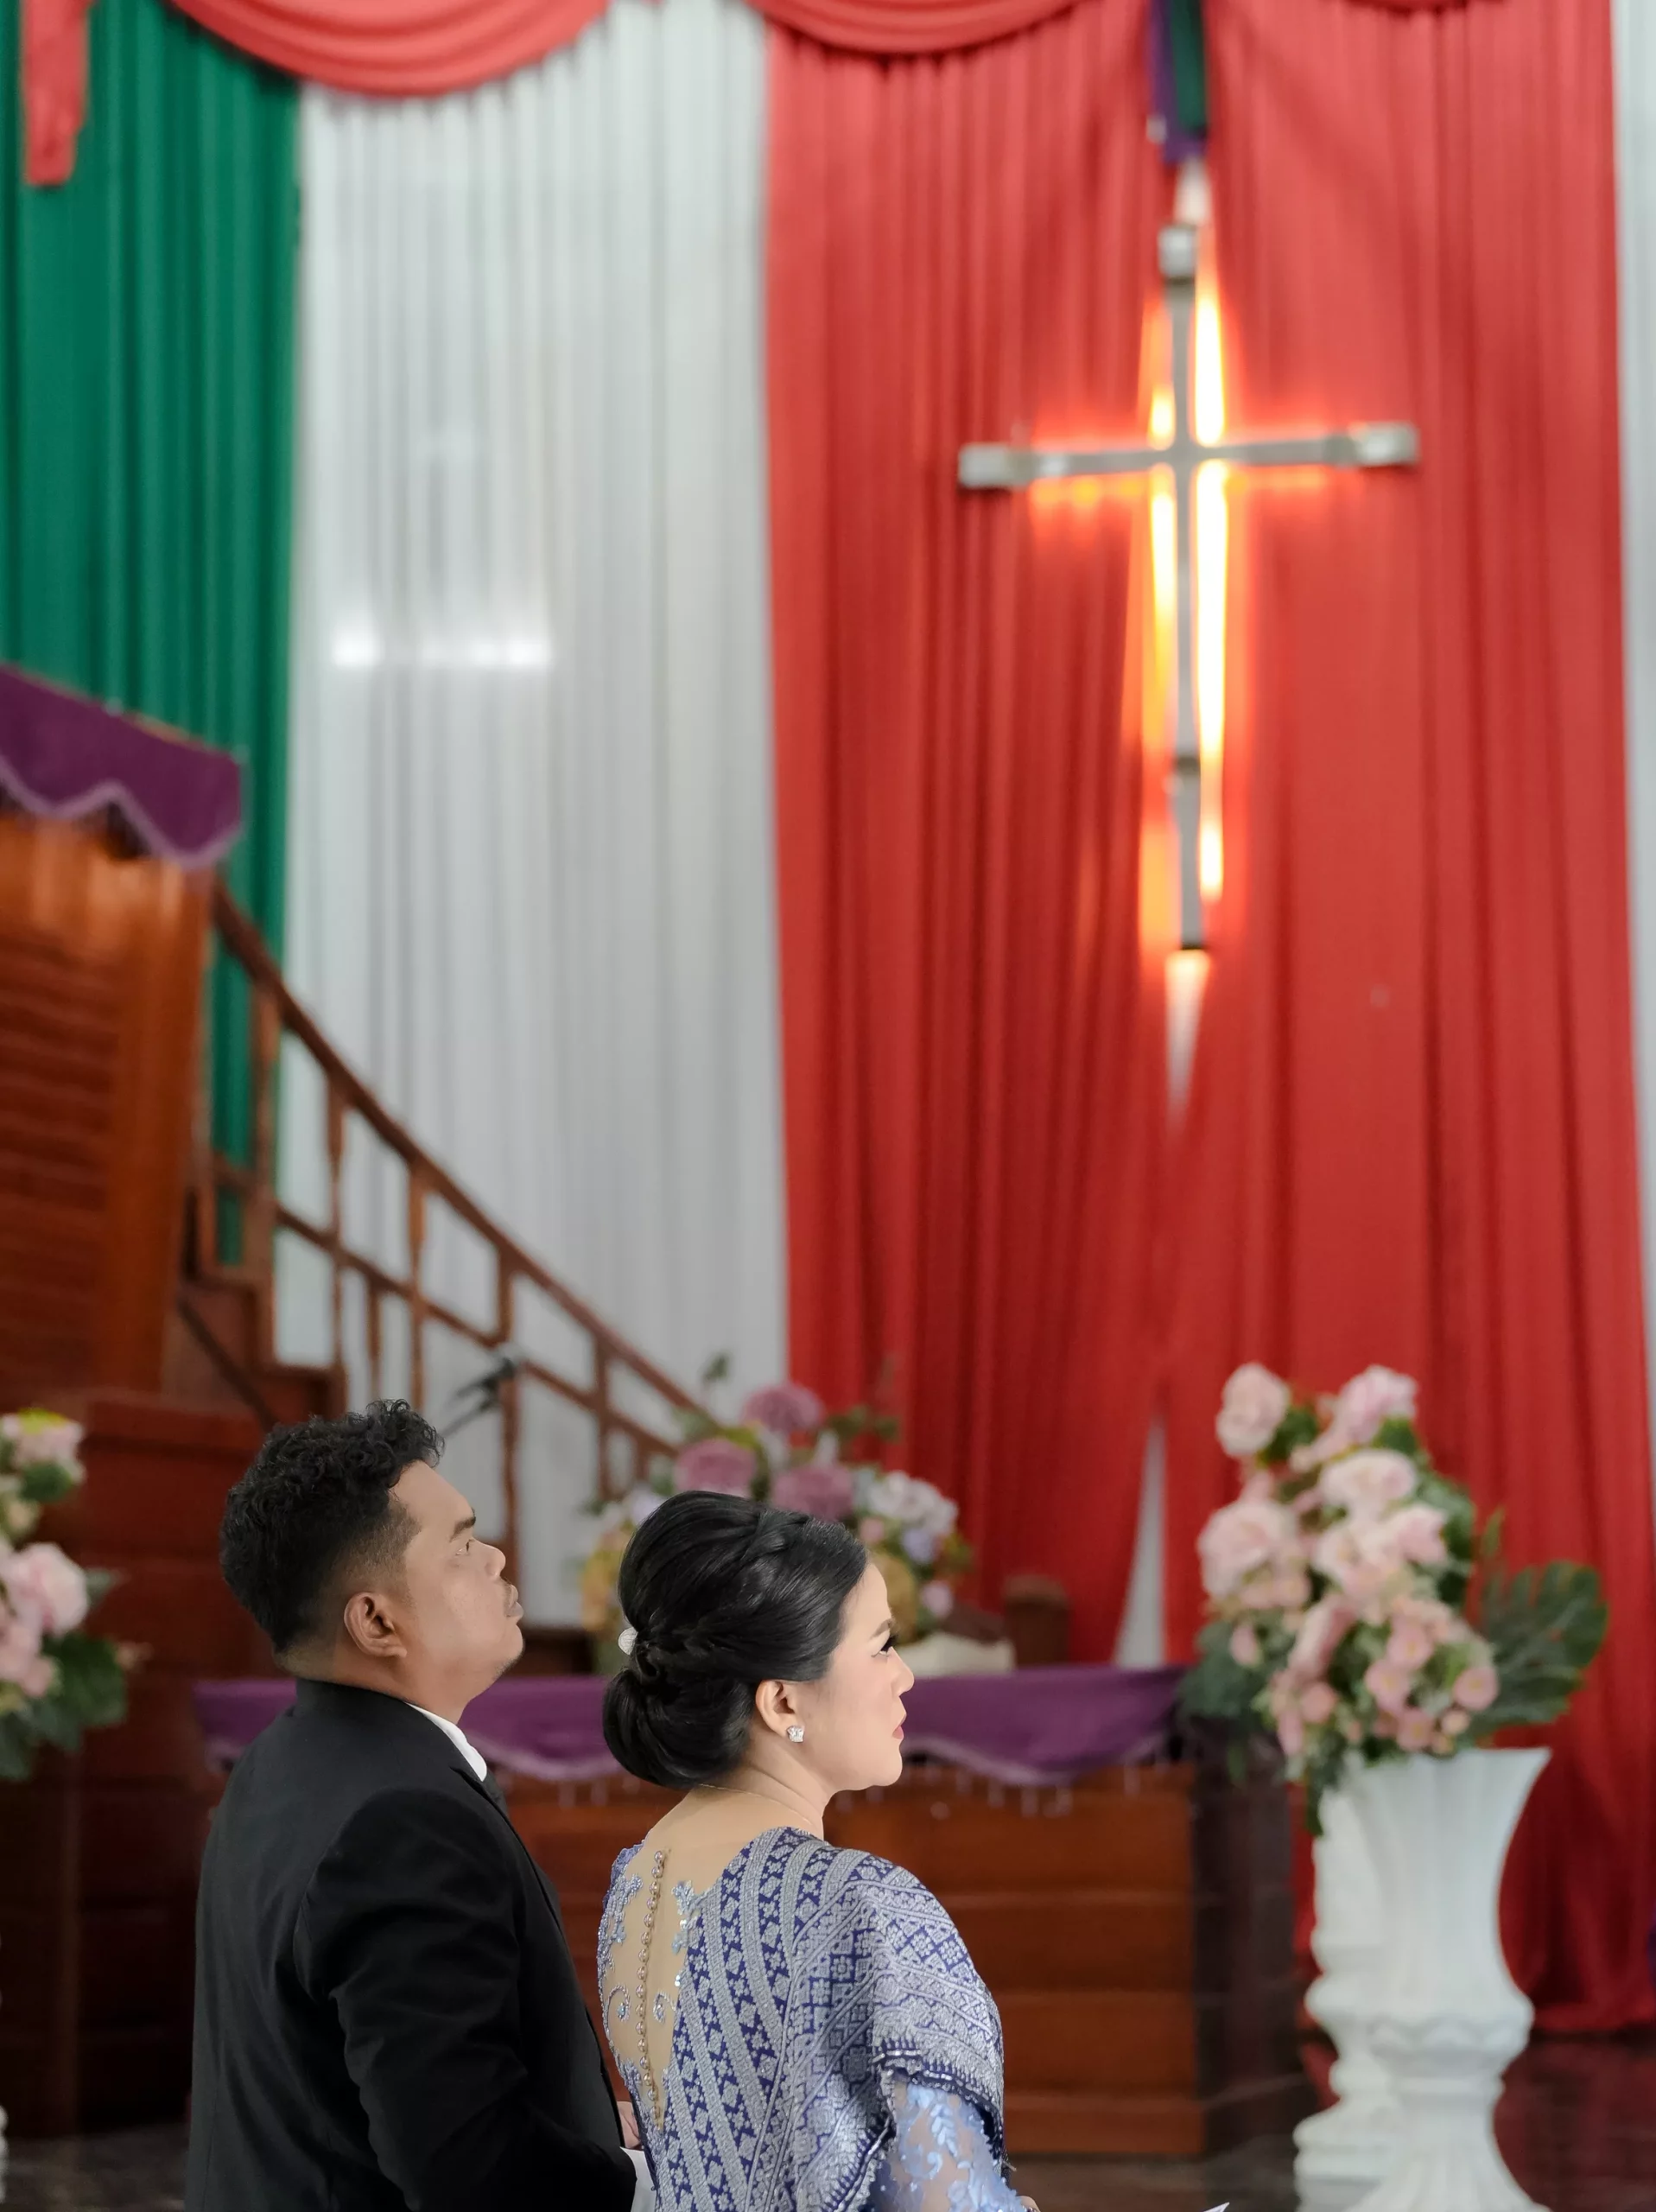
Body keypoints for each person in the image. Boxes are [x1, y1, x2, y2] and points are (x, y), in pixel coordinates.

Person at [187, 1400, 646, 2212]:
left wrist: (583, 2123)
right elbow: (466, 2164)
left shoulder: (276, 1763)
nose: (496, 1558)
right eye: (462, 1547)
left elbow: (373, 2084)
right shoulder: (403, 1823)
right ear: (376, 1621)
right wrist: (654, 2185)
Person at [596, 1491, 1035, 2212]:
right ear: (783, 1703)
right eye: (881, 1646)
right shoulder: (856, 1900)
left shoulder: (635, 1880)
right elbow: (953, 2198)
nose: (905, 1675)